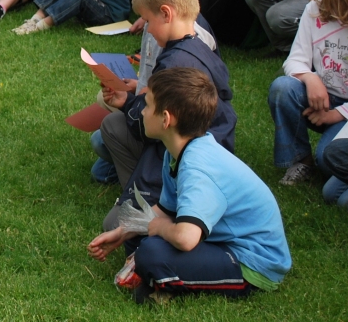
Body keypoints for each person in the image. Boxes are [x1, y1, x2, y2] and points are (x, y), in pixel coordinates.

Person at [89, 68, 291, 304]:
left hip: (255, 262)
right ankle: (163, 283)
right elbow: (165, 209)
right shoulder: (179, 150)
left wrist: (160, 227)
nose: (142, 111)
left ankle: (166, 286)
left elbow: (185, 238)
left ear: (166, 119)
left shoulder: (197, 168)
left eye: (147, 105)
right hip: (223, 241)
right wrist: (122, 232)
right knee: (144, 242)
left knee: (151, 254)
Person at [98, 0, 237, 240]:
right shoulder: (196, 48)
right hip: (201, 149)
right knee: (112, 124)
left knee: (115, 225)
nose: (147, 27)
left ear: (166, 13)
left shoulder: (175, 64)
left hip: (183, 157)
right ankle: (138, 199)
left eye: (148, 20)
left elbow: (149, 125)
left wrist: (131, 105)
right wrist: (128, 100)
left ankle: (149, 206)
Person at [89, 0, 215, 185]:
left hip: (172, 130)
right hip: (153, 109)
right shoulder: (159, 24)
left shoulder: (188, 46)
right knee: (105, 113)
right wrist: (136, 88)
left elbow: (174, 110)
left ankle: (142, 189)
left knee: (105, 135)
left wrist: (130, 103)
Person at [268, 0, 348, 186]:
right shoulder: (314, 10)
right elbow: (294, 60)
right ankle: (300, 160)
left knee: (330, 162)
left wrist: (338, 114)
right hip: (323, 99)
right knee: (282, 88)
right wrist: (310, 77)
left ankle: (322, 158)